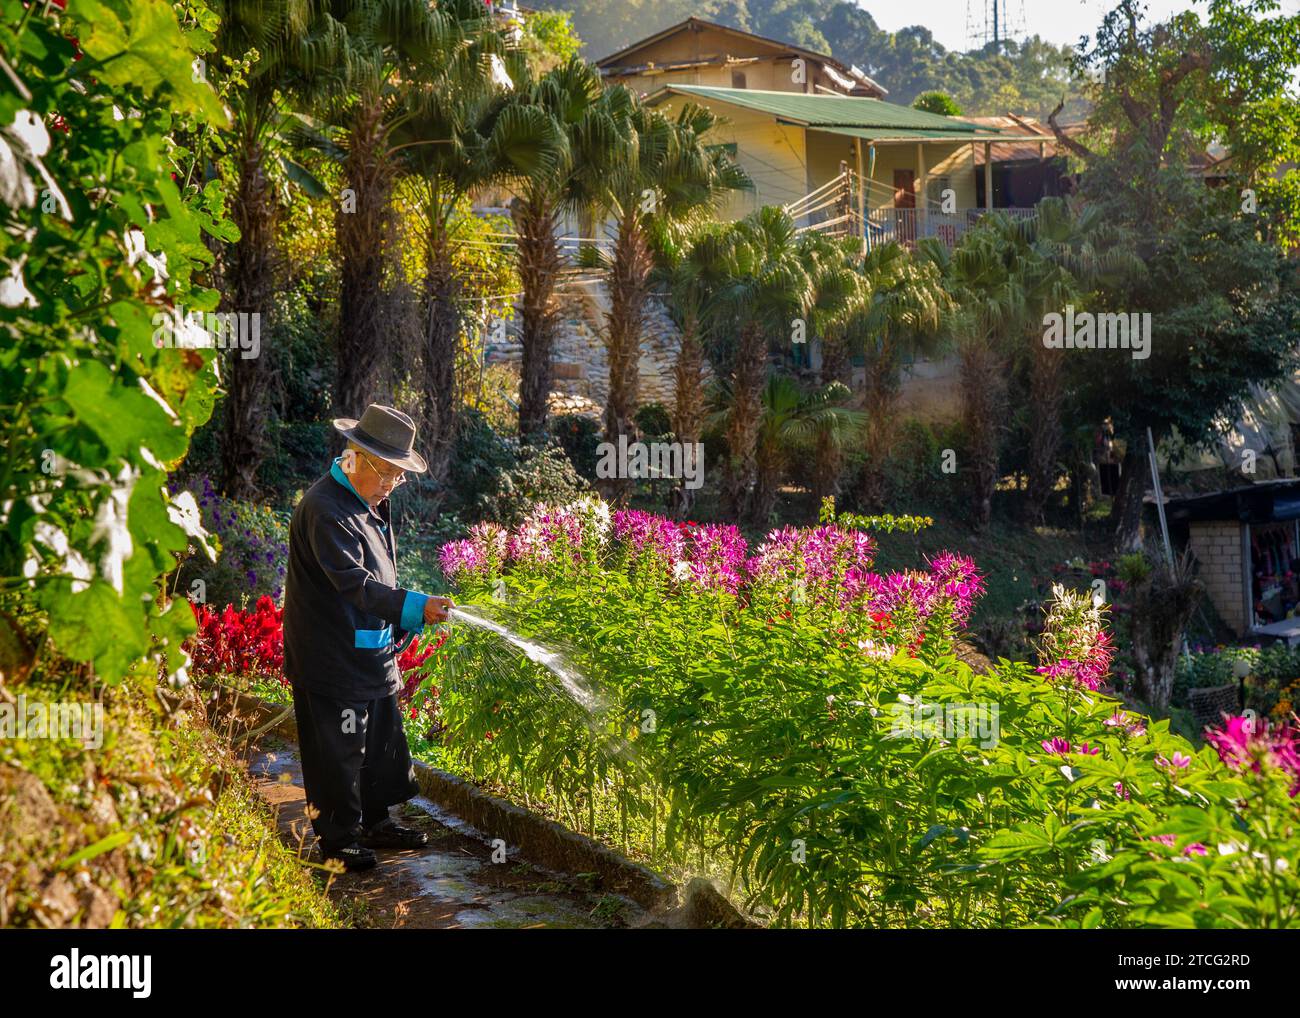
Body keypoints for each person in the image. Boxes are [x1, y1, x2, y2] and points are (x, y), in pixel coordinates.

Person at [282, 404, 453, 871]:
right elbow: (356, 584)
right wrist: (415, 606)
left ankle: (375, 824)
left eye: (399, 477)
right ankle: (338, 840)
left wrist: (402, 619)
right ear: (359, 459)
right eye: (390, 475)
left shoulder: (370, 500)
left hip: (369, 649)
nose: (393, 486)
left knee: (379, 741)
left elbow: (380, 573)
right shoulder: (324, 509)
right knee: (338, 750)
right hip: (329, 655)